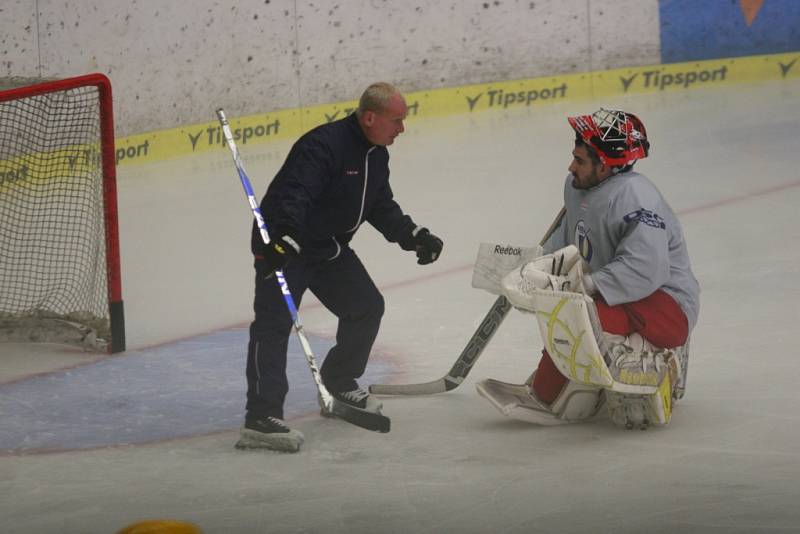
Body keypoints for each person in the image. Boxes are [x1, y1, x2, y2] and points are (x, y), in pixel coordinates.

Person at [236, 82, 443, 452]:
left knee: (365, 306)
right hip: (285, 246)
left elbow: (380, 205)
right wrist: (283, 237)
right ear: (369, 117)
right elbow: (295, 193)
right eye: (396, 120)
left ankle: (338, 381)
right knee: (273, 325)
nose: (402, 129)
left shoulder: (376, 154)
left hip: (328, 248)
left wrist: (413, 235)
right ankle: (261, 418)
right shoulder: (323, 146)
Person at [478, 108, 699, 428]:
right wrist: (532, 271)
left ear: (606, 165)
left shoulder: (636, 196)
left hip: (665, 306)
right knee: (565, 310)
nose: (571, 166)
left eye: (580, 160)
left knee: (577, 315)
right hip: (621, 297)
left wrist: (580, 287)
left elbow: (644, 270)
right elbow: (566, 245)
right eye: (574, 156)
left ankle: (652, 366)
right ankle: (571, 386)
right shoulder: (578, 186)